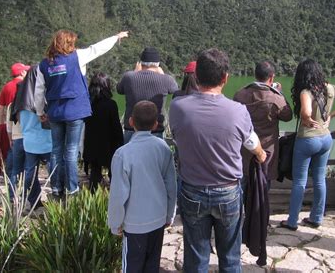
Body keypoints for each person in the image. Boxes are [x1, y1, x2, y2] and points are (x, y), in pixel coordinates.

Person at [169, 48, 267, 272]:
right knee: (231, 257)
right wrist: (261, 155)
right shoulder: (238, 111)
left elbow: (177, 136)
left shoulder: (178, 107)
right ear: (225, 78)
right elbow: (252, 143)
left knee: (195, 257)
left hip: (192, 191)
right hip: (228, 192)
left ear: (196, 76)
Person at [34, 29, 129, 196]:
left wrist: (40, 111)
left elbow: (39, 90)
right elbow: (97, 48)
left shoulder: (44, 64)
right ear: (70, 43)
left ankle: (57, 188)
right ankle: (72, 188)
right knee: (71, 150)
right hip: (75, 111)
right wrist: (115, 37)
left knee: (56, 150)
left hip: (55, 112)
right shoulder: (77, 57)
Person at [281, 59, 335, 230]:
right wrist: (331, 115)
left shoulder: (306, 92)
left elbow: (306, 112)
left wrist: (307, 118)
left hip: (307, 140)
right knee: (320, 179)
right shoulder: (330, 88)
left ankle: (292, 221)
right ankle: (316, 217)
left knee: (299, 182)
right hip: (325, 139)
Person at [108, 101, 176, 273]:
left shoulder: (123, 154)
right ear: (155, 124)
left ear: (131, 122)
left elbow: (118, 195)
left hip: (134, 224)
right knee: (152, 265)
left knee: (131, 267)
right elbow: (171, 186)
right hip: (158, 219)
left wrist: (115, 223)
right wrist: (170, 214)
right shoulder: (163, 148)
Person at [233, 61, 293, 196]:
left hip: (244, 149)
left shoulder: (240, 95)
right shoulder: (276, 98)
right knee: (263, 187)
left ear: (255, 75)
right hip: (267, 152)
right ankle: (259, 214)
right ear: (271, 77)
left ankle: (240, 214)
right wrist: (280, 92)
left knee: (242, 185)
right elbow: (288, 115)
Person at [117, 47, 178, 143]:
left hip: (132, 129)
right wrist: (163, 75)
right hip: (156, 130)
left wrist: (135, 72)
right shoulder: (167, 79)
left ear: (141, 63)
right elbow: (176, 91)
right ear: (158, 64)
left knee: (130, 156)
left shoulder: (128, 77)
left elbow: (119, 90)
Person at [14, 65, 53, 209]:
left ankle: (33, 201)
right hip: (47, 142)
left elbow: (16, 118)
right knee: (53, 171)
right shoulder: (43, 99)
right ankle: (57, 196)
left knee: (30, 173)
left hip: (29, 142)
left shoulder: (20, 99)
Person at [83, 72, 124, 192]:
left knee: (95, 172)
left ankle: (92, 195)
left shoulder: (87, 104)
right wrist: (121, 142)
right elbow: (116, 126)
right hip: (109, 145)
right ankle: (115, 193)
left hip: (92, 144)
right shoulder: (111, 104)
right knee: (114, 172)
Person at [0, 63, 30, 177]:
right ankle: (25, 176)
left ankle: (10, 175)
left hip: (11, 122)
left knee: (12, 150)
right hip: (26, 121)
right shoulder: (26, 85)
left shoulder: (7, 86)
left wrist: (1, 123)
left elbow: (1, 107)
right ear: (21, 73)